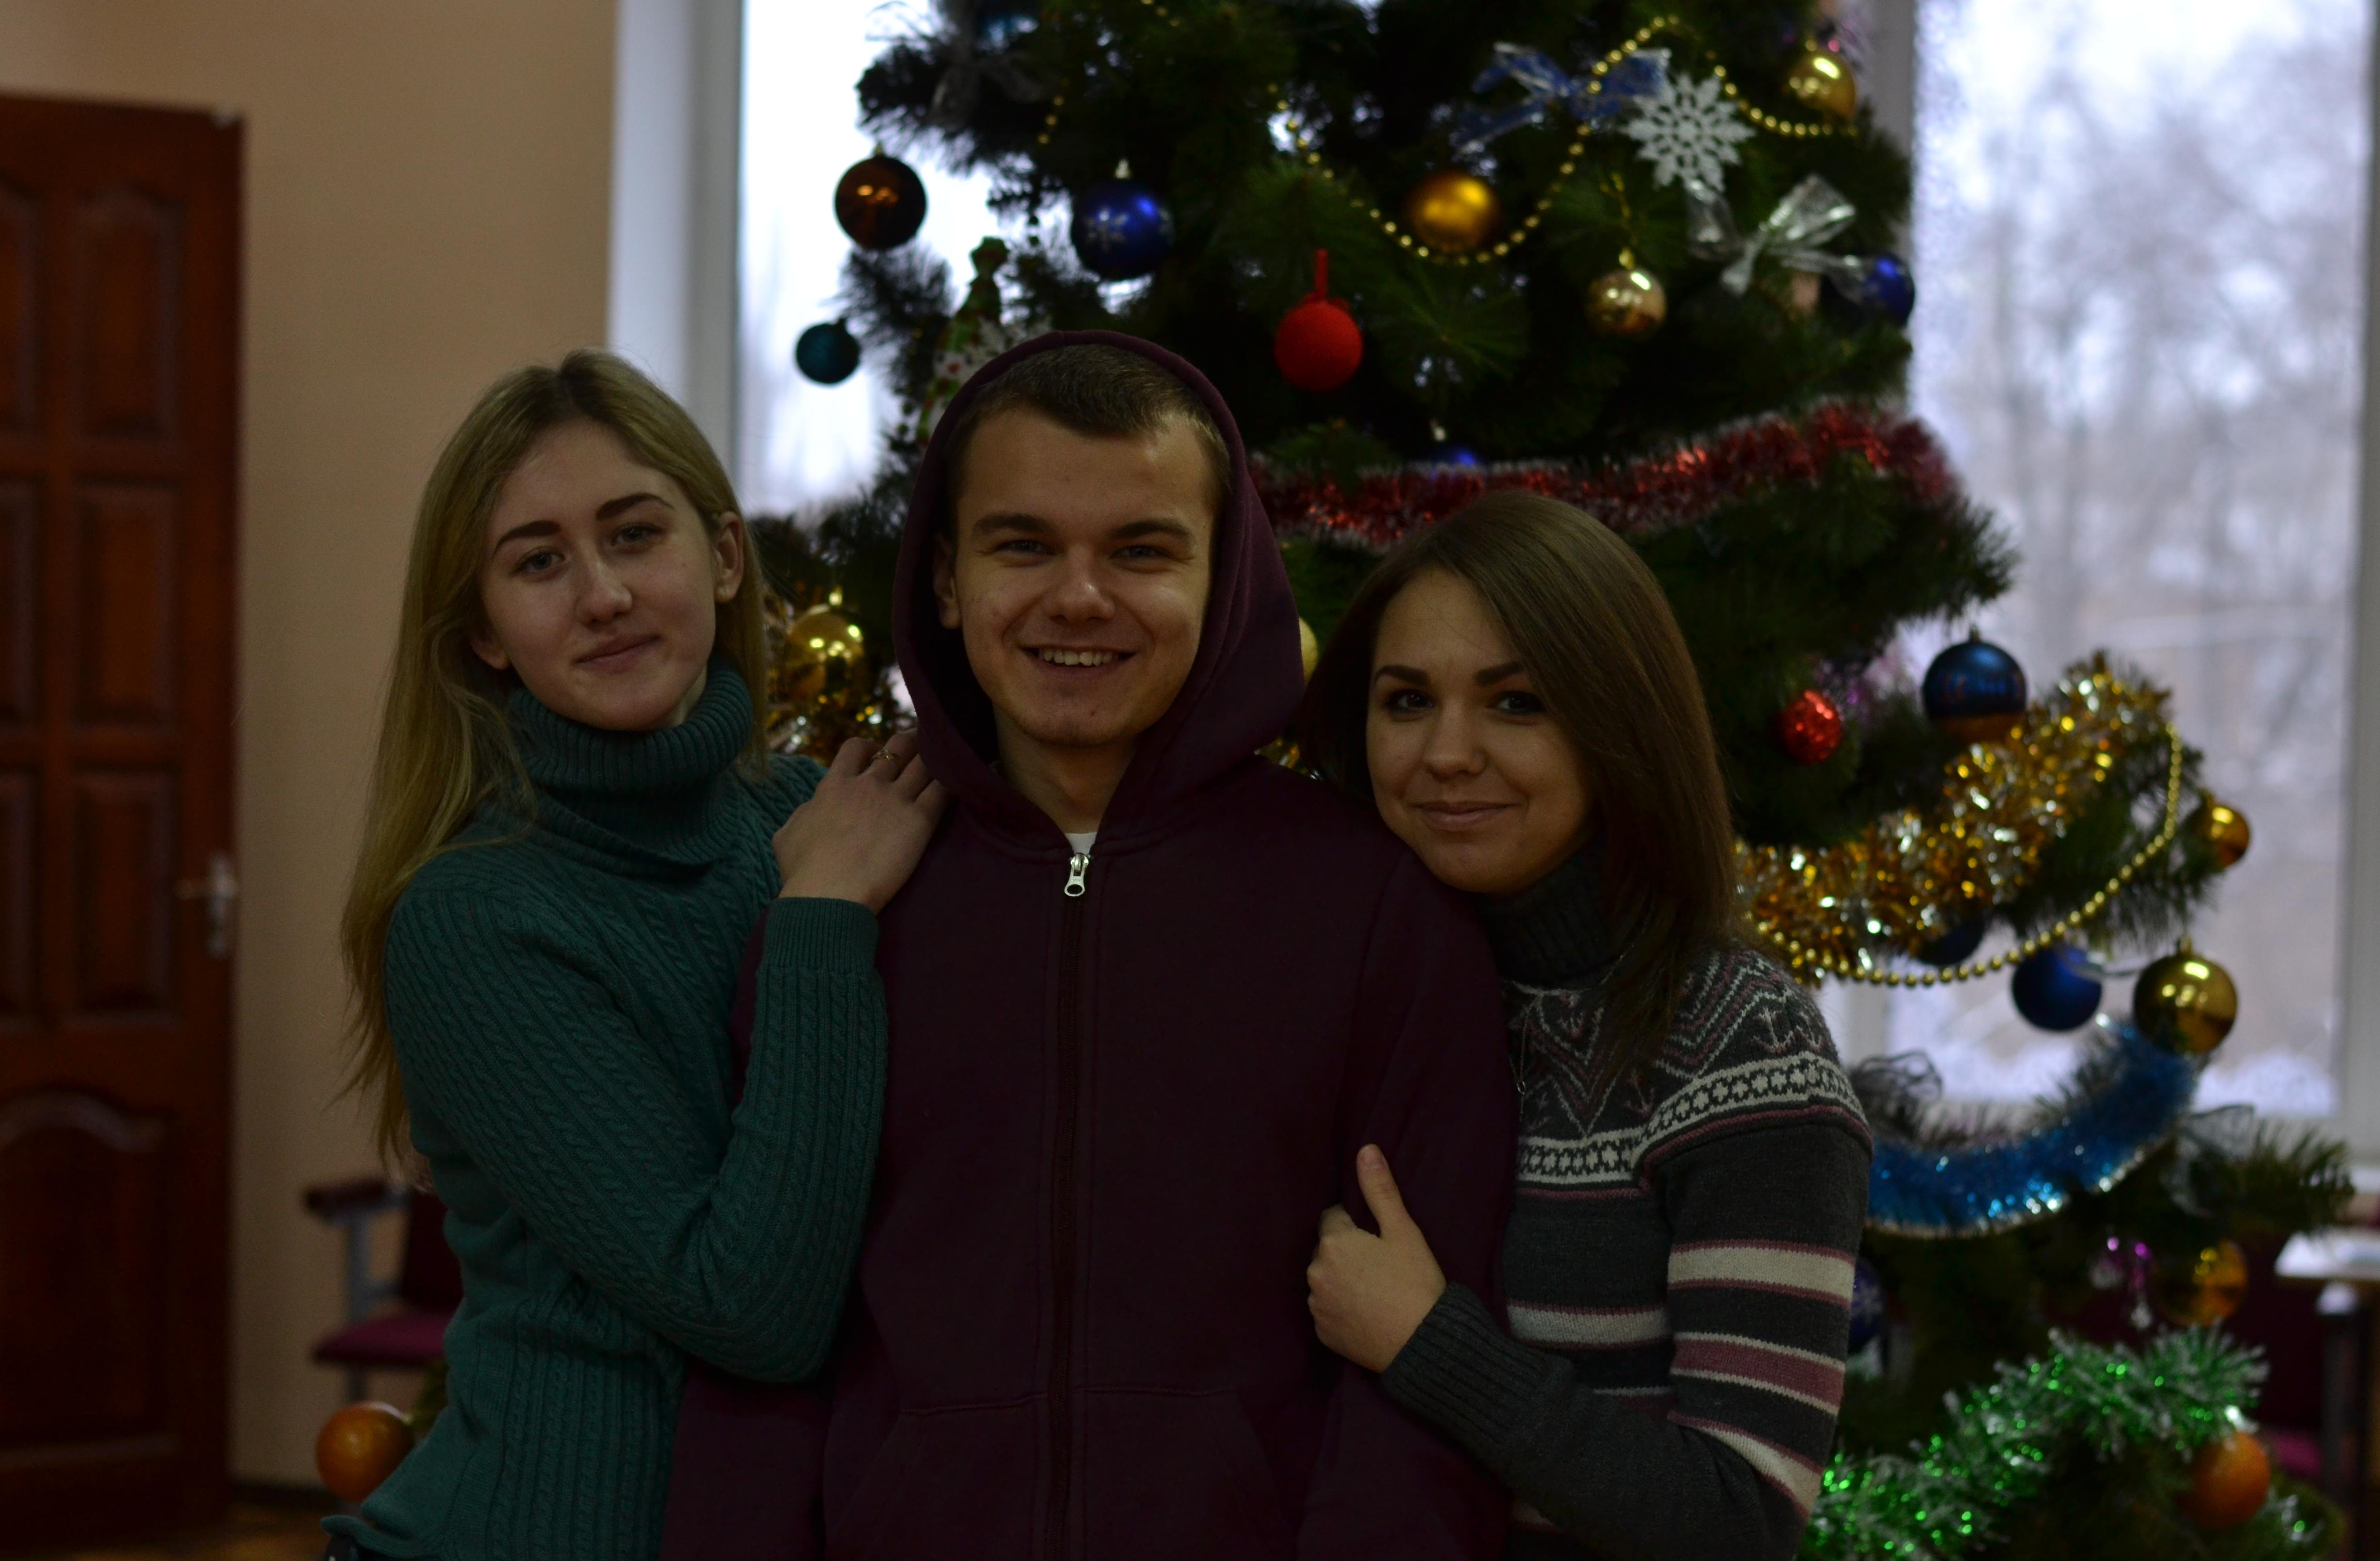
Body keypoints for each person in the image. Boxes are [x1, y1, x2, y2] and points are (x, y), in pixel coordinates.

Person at [663, 334, 1516, 1559]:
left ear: (1223, 580)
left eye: (1141, 551)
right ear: (946, 580)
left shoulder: (1375, 907)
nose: (1078, 598)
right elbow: (764, 1350)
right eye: (1023, 546)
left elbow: (1424, 1381)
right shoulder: (838, 900)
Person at [328, 350, 944, 1561]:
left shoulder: (826, 814)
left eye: (634, 534)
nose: (603, 594)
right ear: (487, 633)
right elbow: (749, 1309)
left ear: (724, 557)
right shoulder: (475, 914)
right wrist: (822, 914)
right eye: (539, 562)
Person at [1298, 492, 1871, 1561]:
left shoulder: (1743, 1044)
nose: (1448, 753)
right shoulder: (1349, 1002)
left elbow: (1740, 1520)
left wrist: (1429, 1343)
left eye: (1516, 704)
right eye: (1407, 701)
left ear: (1619, 725)